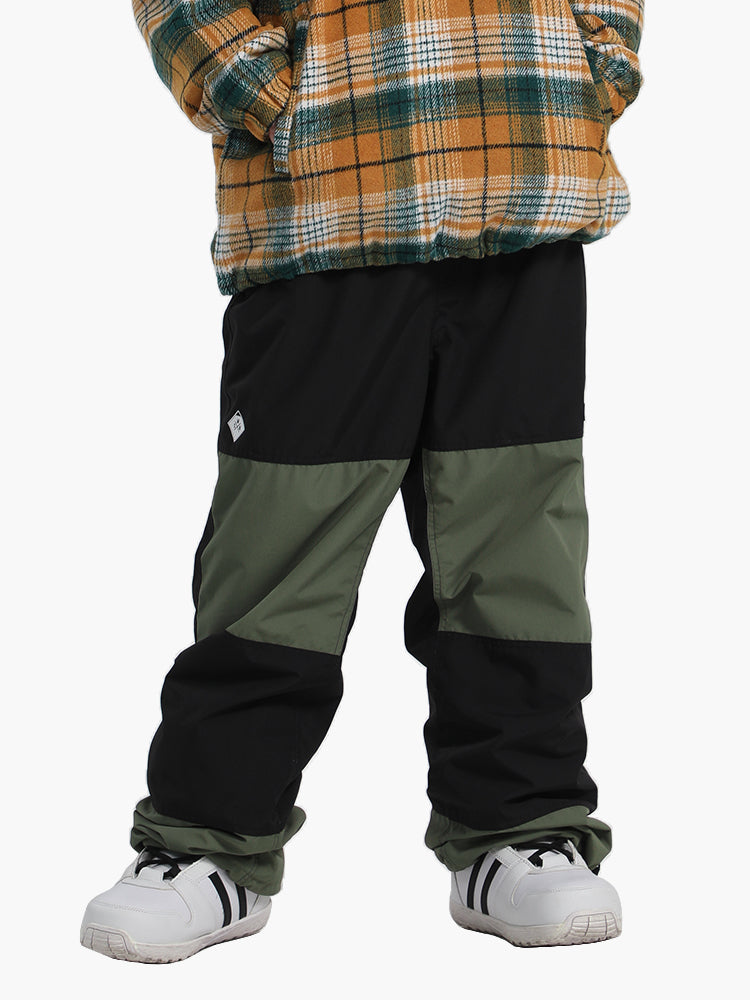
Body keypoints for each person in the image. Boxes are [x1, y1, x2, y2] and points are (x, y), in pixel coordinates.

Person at [81, 0, 645, 962]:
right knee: (279, 548)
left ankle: (521, 827)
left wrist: (598, 58)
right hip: (329, 192)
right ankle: (209, 841)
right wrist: (260, 86)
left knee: (521, 547)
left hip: (526, 163)